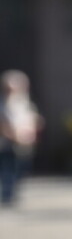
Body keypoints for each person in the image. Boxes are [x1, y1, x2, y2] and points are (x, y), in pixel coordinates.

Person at [0, 71, 42, 206]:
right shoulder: (2, 104)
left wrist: (32, 133)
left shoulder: (24, 103)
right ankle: (8, 195)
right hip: (6, 144)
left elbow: (34, 120)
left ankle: (13, 192)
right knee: (8, 169)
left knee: (21, 169)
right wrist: (11, 135)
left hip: (24, 144)